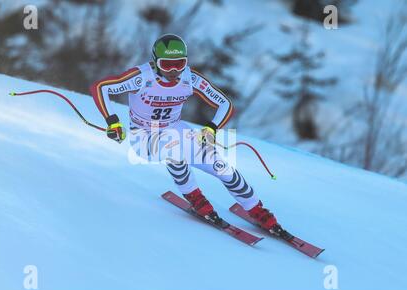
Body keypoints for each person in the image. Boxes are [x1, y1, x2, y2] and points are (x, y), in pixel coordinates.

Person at [90, 34, 279, 232]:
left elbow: (225, 104)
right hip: (144, 135)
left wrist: (211, 129)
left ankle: (257, 210)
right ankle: (197, 200)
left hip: (176, 129)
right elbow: (101, 87)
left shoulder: (190, 79)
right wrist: (112, 122)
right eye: (167, 64)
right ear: (155, 62)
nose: (173, 71)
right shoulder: (140, 77)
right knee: (175, 155)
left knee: (221, 166)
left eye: (180, 64)